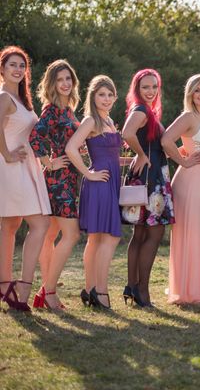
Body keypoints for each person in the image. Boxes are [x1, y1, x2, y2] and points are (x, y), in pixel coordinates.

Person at [66, 75, 125, 310]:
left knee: (97, 239)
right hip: (99, 183)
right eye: (102, 94)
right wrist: (88, 173)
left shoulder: (109, 120)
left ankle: (90, 290)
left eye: (110, 94)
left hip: (110, 182)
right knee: (110, 237)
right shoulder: (91, 121)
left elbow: (111, 154)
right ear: (93, 96)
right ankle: (101, 293)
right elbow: (71, 148)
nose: (107, 98)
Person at [0, 46, 51, 312]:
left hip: (25, 165)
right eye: (12, 65)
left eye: (22, 65)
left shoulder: (20, 99)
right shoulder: (4, 97)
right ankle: (22, 288)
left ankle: (4, 284)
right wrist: (7, 154)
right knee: (40, 223)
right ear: (2, 69)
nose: (18, 69)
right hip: (11, 167)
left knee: (9, 225)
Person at [29, 59, 82, 309]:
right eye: (59, 79)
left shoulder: (69, 111)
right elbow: (35, 135)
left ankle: (44, 292)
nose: (65, 83)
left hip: (69, 178)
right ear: (52, 83)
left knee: (51, 234)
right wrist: (48, 162)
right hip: (58, 179)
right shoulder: (51, 111)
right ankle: (49, 292)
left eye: (68, 79)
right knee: (71, 234)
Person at [162, 74, 200, 304]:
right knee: (194, 233)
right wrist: (182, 160)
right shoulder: (188, 116)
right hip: (193, 178)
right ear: (190, 94)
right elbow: (166, 140)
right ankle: (189, 289)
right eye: (197, 90)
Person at [121, 69, 175, 307]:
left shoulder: (146, 110)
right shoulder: (141, 110)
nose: (151, 91)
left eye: (154, 87)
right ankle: (142, 291)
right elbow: (126, 133)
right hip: (150, 179)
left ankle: (132, 287)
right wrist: (141, 154)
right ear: (137, 89)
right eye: (145, 87)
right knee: (154, 234)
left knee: (140, 234)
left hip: (145, 177)